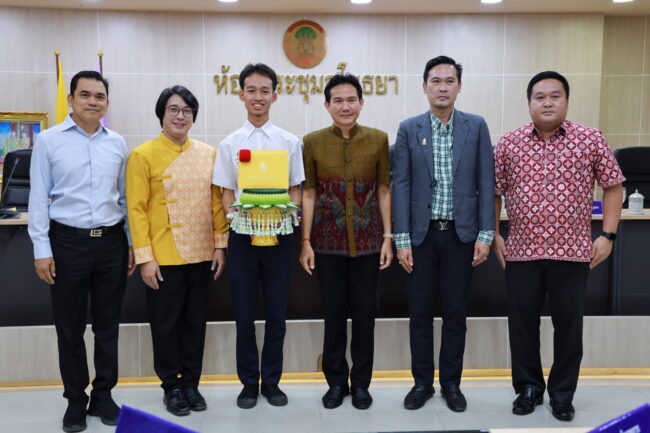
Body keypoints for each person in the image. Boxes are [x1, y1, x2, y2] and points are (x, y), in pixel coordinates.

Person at [493, 71, 625, 422]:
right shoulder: (509, 143)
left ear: (566, 101)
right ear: (529, 103)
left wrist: (608, 235)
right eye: (540, 97)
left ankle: (563, 394)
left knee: (569, 327)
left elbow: (613, 186)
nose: (547, 102)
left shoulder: (590, 139)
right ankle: (528, 388)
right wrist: (493, 233)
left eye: (555, 95)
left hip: (572, 252)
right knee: (522, 326)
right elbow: (494, 191)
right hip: (521, 252)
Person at [28, 70, 135, 433]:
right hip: (66, 244)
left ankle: (103, 395)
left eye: (100, 96)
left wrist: (130, 242)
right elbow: (38, 197)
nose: (93, 101)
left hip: (111, 244)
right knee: (70, 327)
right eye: (85, 94)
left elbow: (124, 197)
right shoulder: (49, 141)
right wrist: (41, 249)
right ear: (71, 99)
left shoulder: (117, 143)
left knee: (108, 326)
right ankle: (76, 399)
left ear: (107, 103)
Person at [392, 56, 495, 413]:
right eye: (435, 81)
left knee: (455, 314)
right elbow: (401, 185)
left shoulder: (476, 126)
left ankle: (451, 384)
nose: (442, 87)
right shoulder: (409, 128)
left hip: (460, 237)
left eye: (449, 81)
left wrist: (486, 233)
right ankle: (422, 383)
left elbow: (486, 181)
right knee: (419, 314)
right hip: (421, 238)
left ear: (459, 86)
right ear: (424, 86)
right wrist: (401, 239)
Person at [126, 86, 229, 417]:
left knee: (195, 323)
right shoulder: (143, 155)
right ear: (162, 114)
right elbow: (136, 210)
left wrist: (220, 245)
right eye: (173, 109)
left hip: (201, 252)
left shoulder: (208, 154)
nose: (180, 116)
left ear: (193, 116)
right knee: (165, 325)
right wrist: (145, 257)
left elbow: (216, 203)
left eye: (187, 110)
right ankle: (171, 386)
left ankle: (192, 384)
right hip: (163, 256)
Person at [212, 63, 305, 409]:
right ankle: (249, 383)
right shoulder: (229, 144)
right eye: (251, 90)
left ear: (275, 96)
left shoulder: (289, 142)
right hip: (243, 240)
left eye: (265, 90)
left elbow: (295, 190)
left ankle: (273, 382)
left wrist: (286, 216)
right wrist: (239, 220)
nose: (258, 97)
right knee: (244, 315)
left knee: (277, 314)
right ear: (241, 95)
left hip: (279, 237)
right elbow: (226, 193)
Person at [299, 74, 393, 410]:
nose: (345, 106)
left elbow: (384, 190)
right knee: (334, 316)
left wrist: (387, 237)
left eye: (351, 100)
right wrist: (306, 241)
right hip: (327, 245)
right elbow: (309, 193)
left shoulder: (378, 140)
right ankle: (336, 382)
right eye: (337, 100)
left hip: (369, 245)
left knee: (365, 317)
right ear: (327, 105)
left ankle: (362, 384)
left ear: (361, 103)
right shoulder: (312, 142)